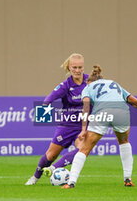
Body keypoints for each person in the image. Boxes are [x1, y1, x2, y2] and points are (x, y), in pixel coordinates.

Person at [62, 65, 137, 189]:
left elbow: (86, 107)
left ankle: (71, 182)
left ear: (89, 82)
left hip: (102, 112)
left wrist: (83, 130)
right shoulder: (114, 84)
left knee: (84, 148)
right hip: (121, 112)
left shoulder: (87, 88)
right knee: (124, 141)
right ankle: (127, 179)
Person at [25, 53, 89, 185]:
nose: (77, 70)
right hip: (67, 126)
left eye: (80, 67)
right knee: (51, 155)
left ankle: (53, 168)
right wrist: (43, 118)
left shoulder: (90, 82)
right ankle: (35, 177)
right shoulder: (65, 85)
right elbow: (48, 100)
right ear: (69, 67)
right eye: (74, 67)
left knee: (82, 150)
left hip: (83, 127)